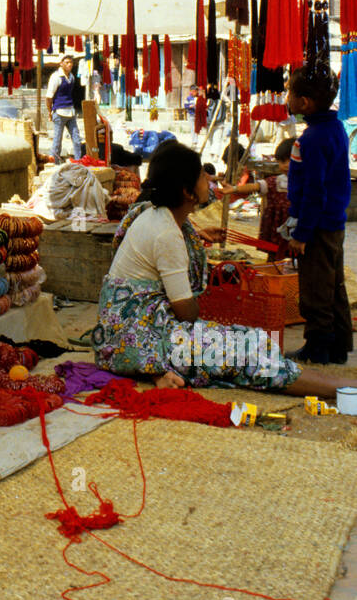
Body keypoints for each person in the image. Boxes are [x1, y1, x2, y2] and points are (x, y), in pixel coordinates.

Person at [91, 139, 355, 397]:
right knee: (244, 355)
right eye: (202, 177)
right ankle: (341, 389)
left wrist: (197, 239)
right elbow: (186, 313)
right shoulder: (166, 233)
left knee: (250, 338)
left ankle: (336, 387)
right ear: (186, 191)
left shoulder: (154, 213)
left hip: (127, 334)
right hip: (138, 341)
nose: (209, 180)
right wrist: (197, 300)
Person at [286, 66, 353, 365]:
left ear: (305, 102)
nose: (286, 96)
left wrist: (301, 234)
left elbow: (314, 191)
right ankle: (338, 346)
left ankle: (318, 347)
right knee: (333, 284)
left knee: (315, 288)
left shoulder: (313, 138)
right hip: (332, 223)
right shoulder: (335, 128)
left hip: (318, 226)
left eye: (289, 91)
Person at [222, 137, 293, 260]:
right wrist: (234, 189)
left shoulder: (308, 183)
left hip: (295, 228)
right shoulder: (274, 182)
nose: (286, 165)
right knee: (274, 257)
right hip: (275, 231)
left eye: (290, 160)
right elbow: (254, 186)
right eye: (282, 161)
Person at [45, 53, 83, 163]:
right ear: (61, 64)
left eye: (71, 62)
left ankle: (78, 162)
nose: (69, 64)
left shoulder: (71, 77)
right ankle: (54, 163)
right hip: (59, 112)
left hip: (70, 112)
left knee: (76, 139)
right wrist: (50, 111)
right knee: (57, 141)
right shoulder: (56, 77)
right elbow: (49, 97)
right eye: (67, 62)